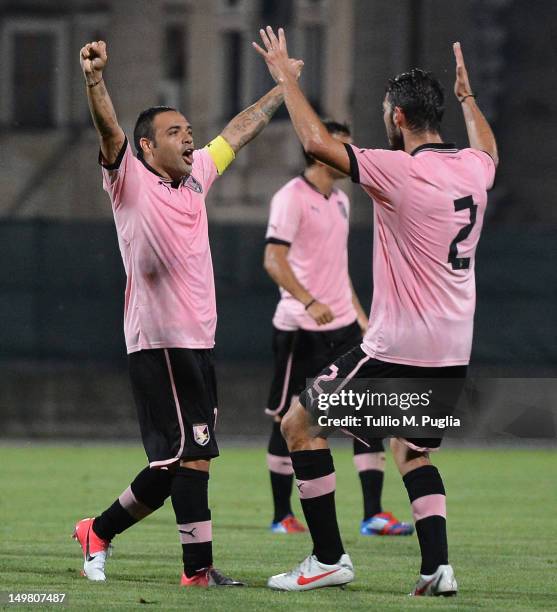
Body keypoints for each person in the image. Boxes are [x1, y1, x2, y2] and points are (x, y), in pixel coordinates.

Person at [254, 27, 497, 595]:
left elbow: (316, 144)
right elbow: (489, 151)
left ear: (397, 120)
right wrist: (469, 99)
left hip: (397, 345)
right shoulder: (472, 169)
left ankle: (328, 558)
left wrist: (287, 79)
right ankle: (437, 570)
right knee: (412, 450)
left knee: (298, 425)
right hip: (453, 346)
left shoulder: (399, 170)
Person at [72, 39, 302, 587]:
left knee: (180, 461)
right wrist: (95, 81)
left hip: (197, 340)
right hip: (159, 341)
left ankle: (98, 532)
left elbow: (241, 130)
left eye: (188, 128)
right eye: (174, 131)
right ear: (146, 146)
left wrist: (283, 86)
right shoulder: (127, 178)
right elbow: (108, 131)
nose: (189, 136)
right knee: (190, 456)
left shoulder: (198, 173)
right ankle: (195, 571)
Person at [263, 120, 413, 537]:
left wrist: (363, 319)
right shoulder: (290, 197)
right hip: (299, 327)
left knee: (369, 414)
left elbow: (338, 269)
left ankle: (373, 515)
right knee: (287, 416)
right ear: (316, 152)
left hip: (343, 328)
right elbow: (273, 260)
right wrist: (309, 302)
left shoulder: (342, 200)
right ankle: (281, 516)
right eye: (339, 146)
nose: (347, 154)